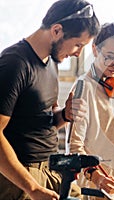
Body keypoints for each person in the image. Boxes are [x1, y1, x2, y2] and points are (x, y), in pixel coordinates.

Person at [0, 0, 100, 199]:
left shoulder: (52, 61)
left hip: (50, 168)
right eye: (78, 45)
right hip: (20, 177)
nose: (78, 53)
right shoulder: (15, 63)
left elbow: (46, 120)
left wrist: (65, 114)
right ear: (56, 31)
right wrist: (32, 188)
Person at [66, 23, 114, 198]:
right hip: (97, 188)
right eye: (110, 56)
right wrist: (97, 177)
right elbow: (74, 147)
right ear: (95, 50)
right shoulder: (84, 87)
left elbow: (108, 133)